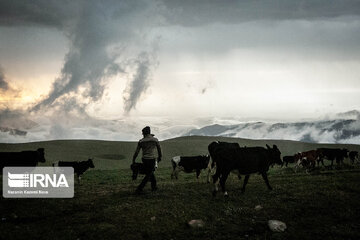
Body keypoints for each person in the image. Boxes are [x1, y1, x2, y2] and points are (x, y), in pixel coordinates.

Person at [132, 126, 162, 193]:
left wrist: (133, 159)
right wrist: (160, 157)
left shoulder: (141, 141)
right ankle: (139, 189)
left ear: (144, 133)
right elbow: (159, 149)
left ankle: (154, 187)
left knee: (150, 172)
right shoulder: (155, 140)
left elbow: (137, 152)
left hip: (144, 159)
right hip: (152, 159)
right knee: (149, 173)